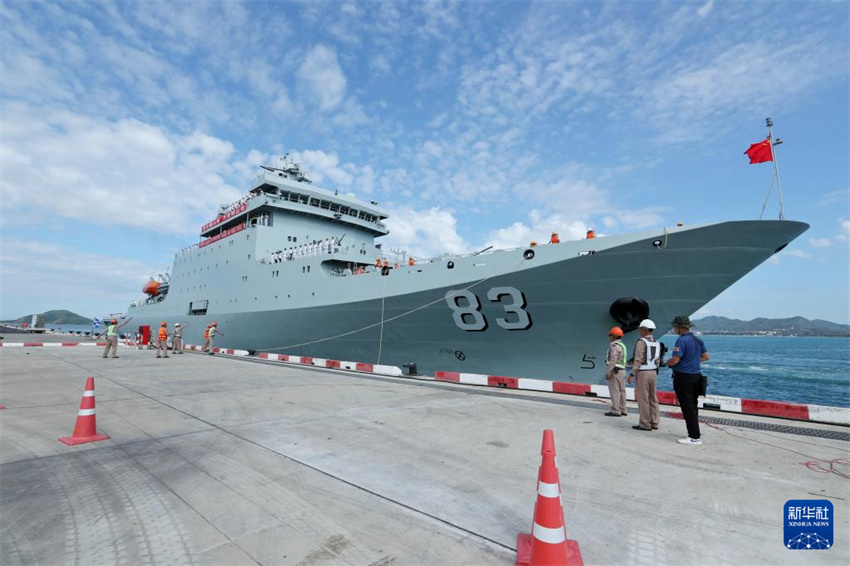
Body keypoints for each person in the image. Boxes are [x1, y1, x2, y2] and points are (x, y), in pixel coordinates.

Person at [666, 315, 710, 446]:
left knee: (687, 407)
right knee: (693, 406)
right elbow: (706, 356)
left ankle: (694, 437)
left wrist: (668, 363)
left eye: (675, 326)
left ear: (679, 327)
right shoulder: (697, 339)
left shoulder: (681, 340)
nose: (674, 329)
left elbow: (675, 359)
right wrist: (692, 360)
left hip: (683, 378)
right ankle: (694, 433)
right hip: (696, 377)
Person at [628, 319, 661, 431]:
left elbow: (638, 359)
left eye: (641, 328)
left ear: (644, 329)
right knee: (653, 398)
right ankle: (654, 422)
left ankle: (645, 423)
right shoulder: (656, 342)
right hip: (653, 371)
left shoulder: (641, 342)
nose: (640, 330)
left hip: (643, 372)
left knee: (643, 398)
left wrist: (632, 374)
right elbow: (658, 359)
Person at [604, 327, 628, 416]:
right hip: (622, 371)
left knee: (615, 391)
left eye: (610, 335)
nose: (609, 337)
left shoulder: (614, 346)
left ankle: (616, 410)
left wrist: (608, 372)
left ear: (614, 336)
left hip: (615, 371)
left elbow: (613, 359)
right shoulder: (623, 345)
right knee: (622, 391)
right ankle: (623, 409)